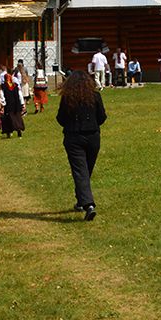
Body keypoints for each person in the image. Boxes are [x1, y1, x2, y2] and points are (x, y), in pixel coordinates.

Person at [56, 70, 106, 221]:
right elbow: (102, 117)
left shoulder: (67, 98)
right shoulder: (95, 96)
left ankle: (88, 204)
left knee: (81, 172)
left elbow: (60, 118)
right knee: (85, 171)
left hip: (74, 138)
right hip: (93, 137)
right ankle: (82, 202)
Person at [1, 71, 26, 138]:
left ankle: (9, 132)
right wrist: (22, 104)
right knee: (17, 118)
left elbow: (2, 96)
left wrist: (2, 104)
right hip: (16, 105)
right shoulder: (15, 86)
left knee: (8, 119)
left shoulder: (3, 86)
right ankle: (18, 129)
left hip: (8, 105)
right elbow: (20, 95)